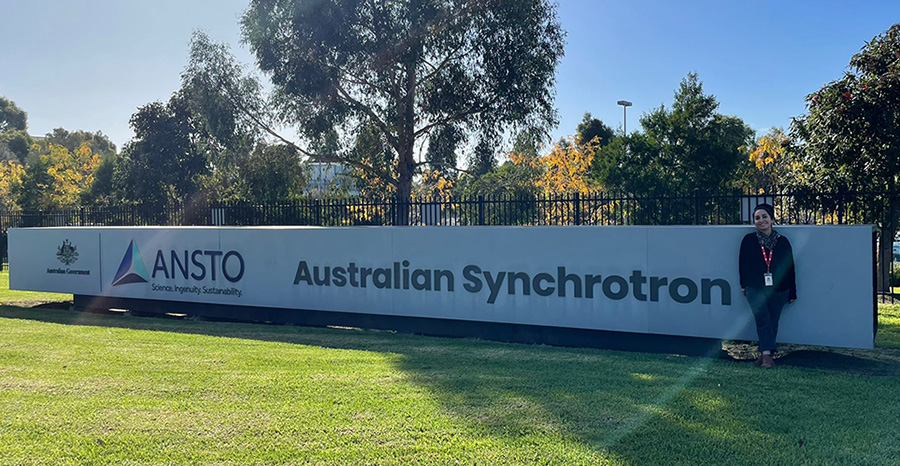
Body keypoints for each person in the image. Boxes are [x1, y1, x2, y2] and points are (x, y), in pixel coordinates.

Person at [739, 203, 796, 369]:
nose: (761, 220)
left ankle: (765, 355)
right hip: (754, 287)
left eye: (764, 217)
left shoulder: (783, 242)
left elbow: (790, 267)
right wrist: (743, 285)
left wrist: (793, 291)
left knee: (773, 320)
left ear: (772, 219)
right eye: (757, 218)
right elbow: (742, 264)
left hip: (779, 288)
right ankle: (767, 356)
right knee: (762, 317)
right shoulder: (749, 240)